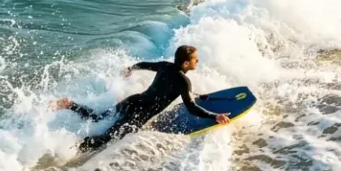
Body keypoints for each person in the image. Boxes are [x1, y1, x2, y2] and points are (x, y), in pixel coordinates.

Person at [54, 45, 222, 152]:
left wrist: (130, 68)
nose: (197, 61)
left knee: (100, 117)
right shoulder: (184, 82)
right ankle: (72, 147)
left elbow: (145, 65)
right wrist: (214, 116)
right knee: (108, 138)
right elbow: (191, 107)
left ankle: (71, 104)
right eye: (195, 59)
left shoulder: (165, 66)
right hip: (138, 113)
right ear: (186, 63)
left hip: (133, 100)